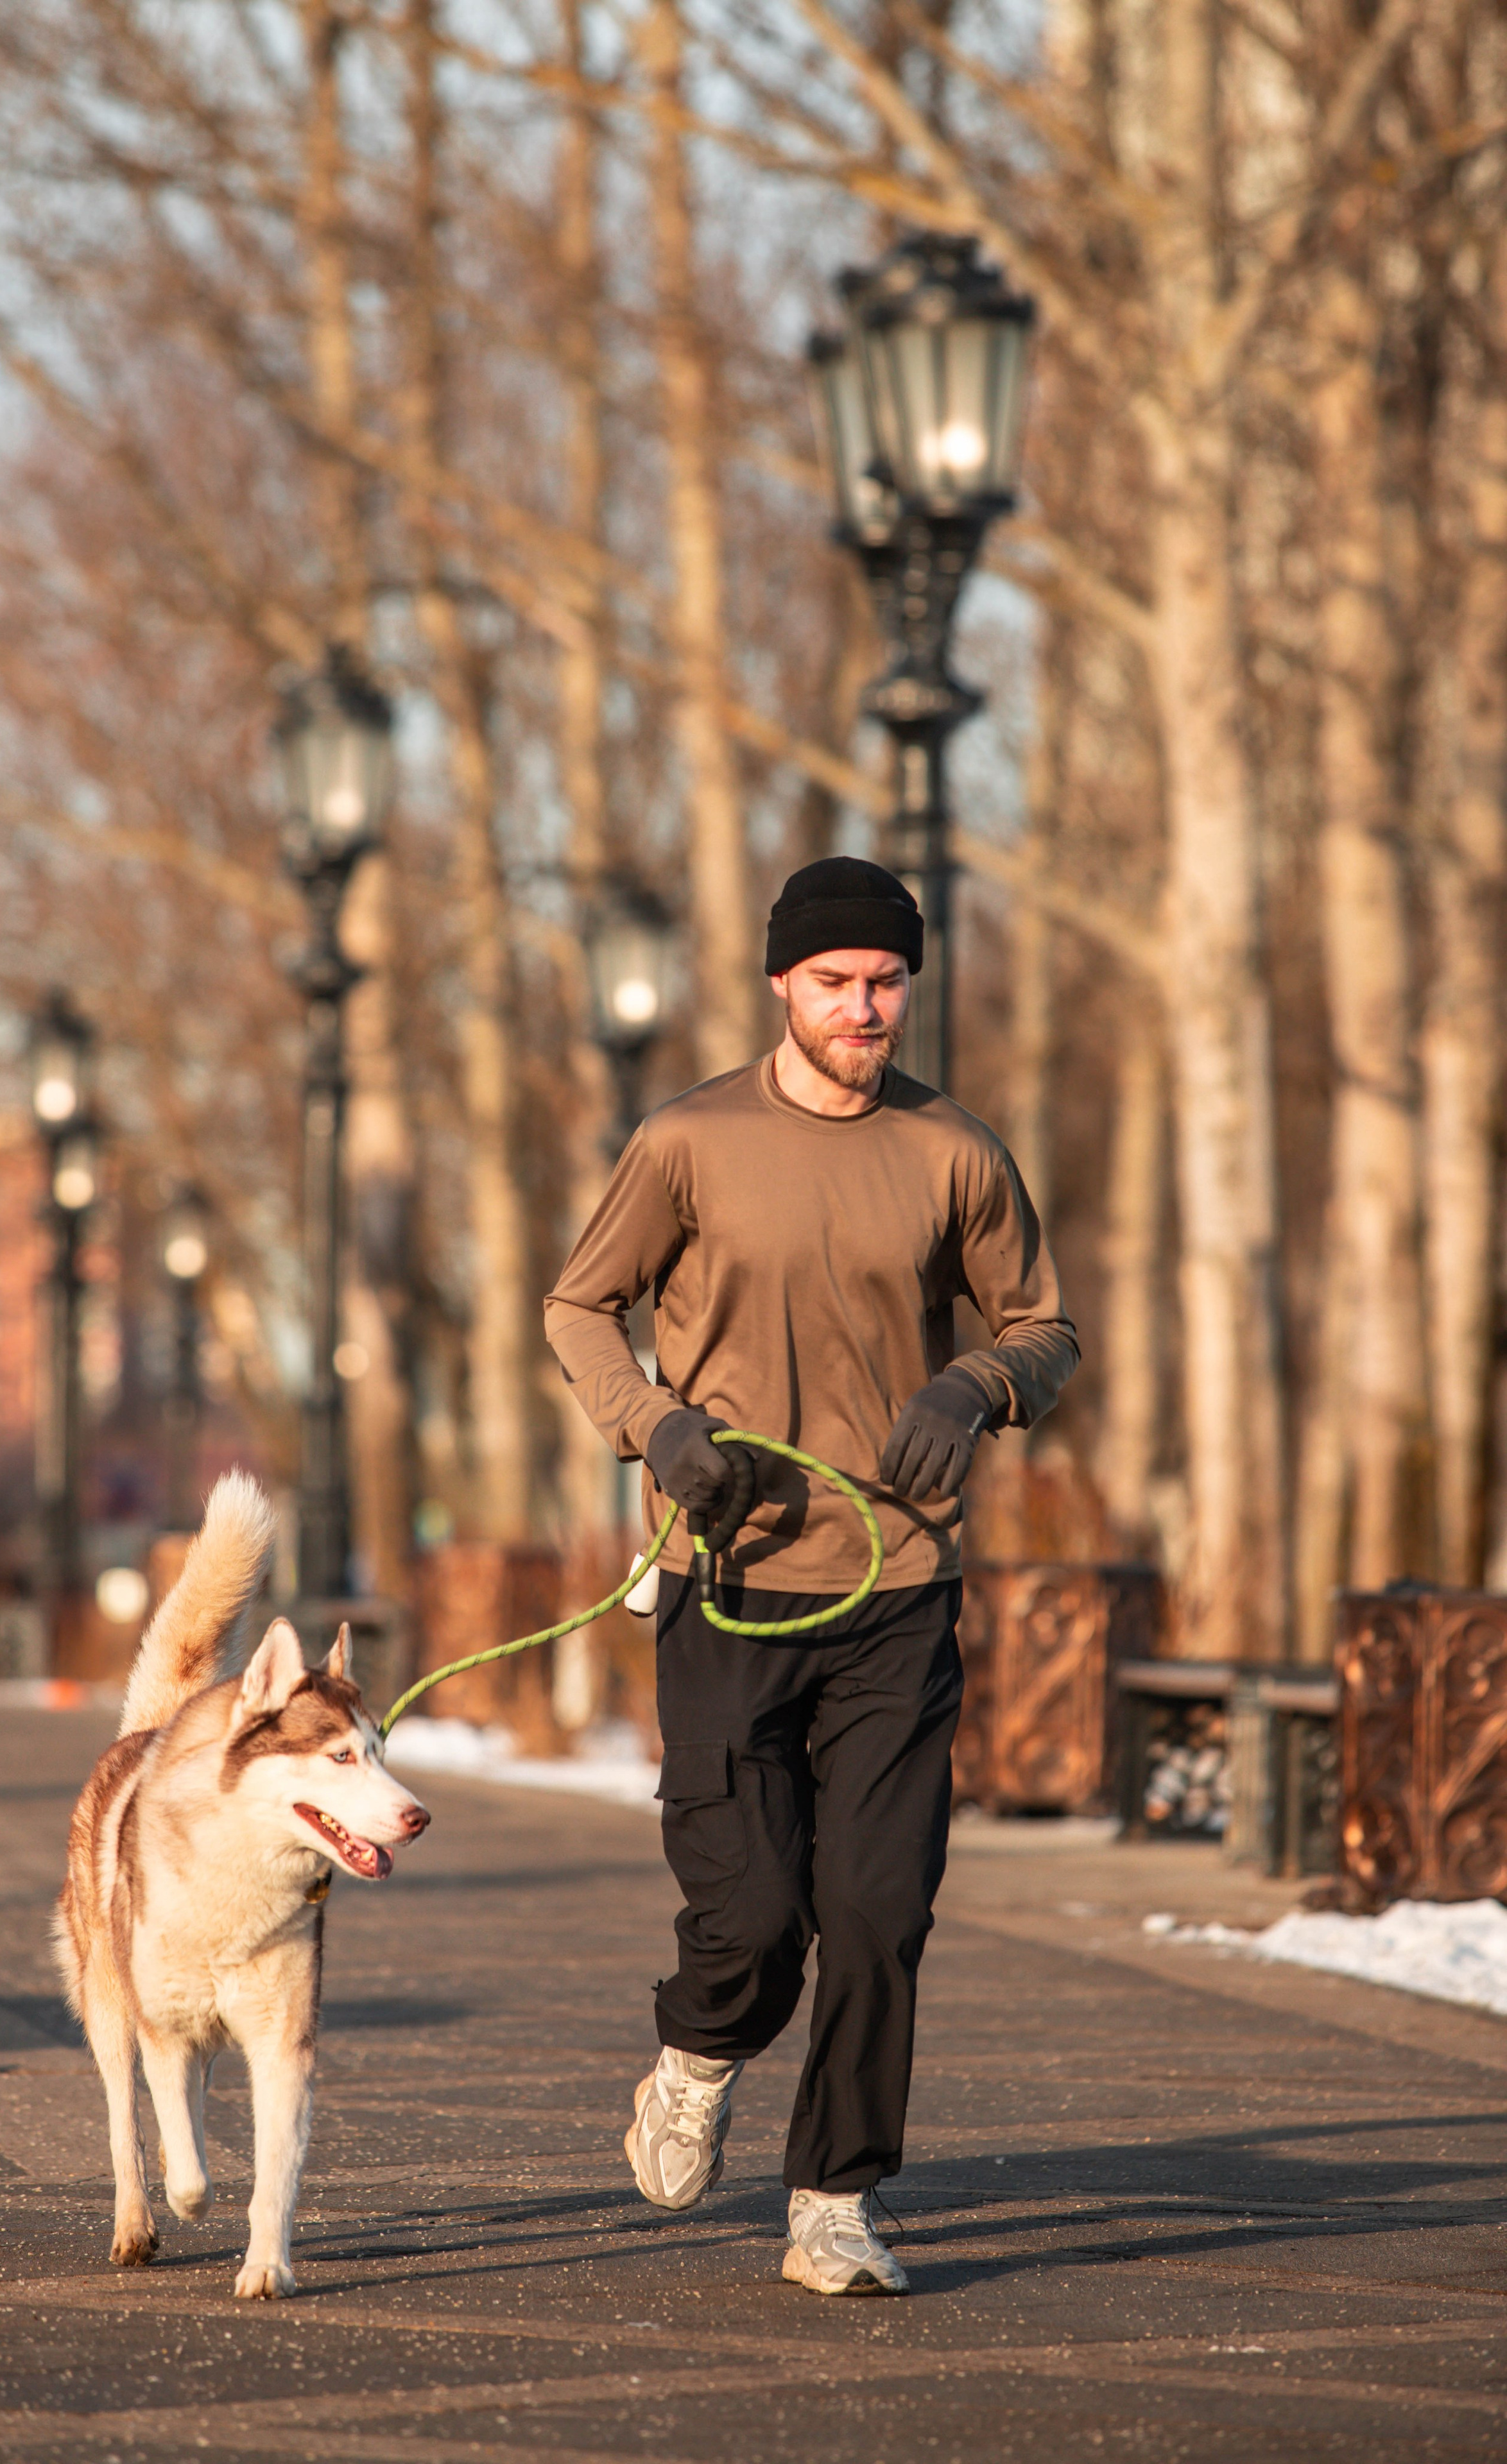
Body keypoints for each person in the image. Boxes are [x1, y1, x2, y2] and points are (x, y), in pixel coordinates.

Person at [544, 856, 1078, 2295]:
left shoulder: (953, 1150)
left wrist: (973, 1389)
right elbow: (579, 1305)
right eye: (835, 982)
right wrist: (656, 1428)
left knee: (877, 1913)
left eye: (887, 981)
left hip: (897, 1588)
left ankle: (835, 2197)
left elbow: (1043, 1324)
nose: (865, 1007)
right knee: (755, 1914)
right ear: (781, 985)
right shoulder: (687, 1141)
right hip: (730, 1576)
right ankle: (699, 2048)